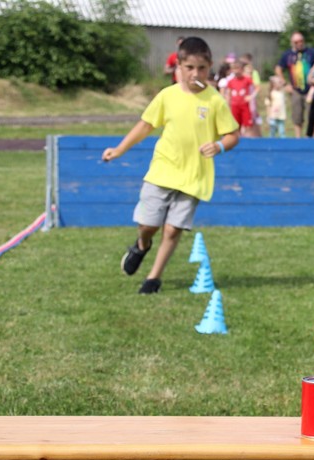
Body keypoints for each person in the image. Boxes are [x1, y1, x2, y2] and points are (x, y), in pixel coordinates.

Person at [102, 37, 240, 294]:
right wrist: (119, 149)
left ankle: (153, 278)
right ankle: (142, 245)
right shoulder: (168, 96)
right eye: (189, 68)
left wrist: (219, 146)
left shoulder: (215, 101)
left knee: (173, 229)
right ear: (179, 66)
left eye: (201, 68)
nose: (195, 74)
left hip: (195, 176)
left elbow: (233, 135)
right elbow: (145, 125)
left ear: (210, 66)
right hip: (163, 171)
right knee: (148, 225)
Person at [275, 32, 314, 138]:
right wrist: (285, 84)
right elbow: (278, 69)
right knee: (297, 116)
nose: (299, 43)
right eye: (296, 42)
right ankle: (298, 139)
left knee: (313, 115)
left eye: (301, 41)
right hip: (296, 90)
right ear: (292, 43)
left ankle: (313, 139)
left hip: (311, 89)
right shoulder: (288, 54)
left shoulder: (312, 53)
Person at [225, 60, 256, 136]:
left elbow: (256, 88)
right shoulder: (230, 81)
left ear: (242, 69)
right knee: (236, 126)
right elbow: (228, 94)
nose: (236, 71)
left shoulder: (247, 80)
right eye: (234, 69)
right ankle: (238, 140)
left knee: (247, 126)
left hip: (245, 106)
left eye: (238, 68)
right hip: (234, 106)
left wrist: (251, 96)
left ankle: (247, 140)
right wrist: (228, 105)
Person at [240, 53, 262, 137]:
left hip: (250, 103)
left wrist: (252, 97)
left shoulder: (253, 75)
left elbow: (257, 87)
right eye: (246, 72)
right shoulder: (240, 78)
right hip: (241, 102)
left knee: (252, 118)